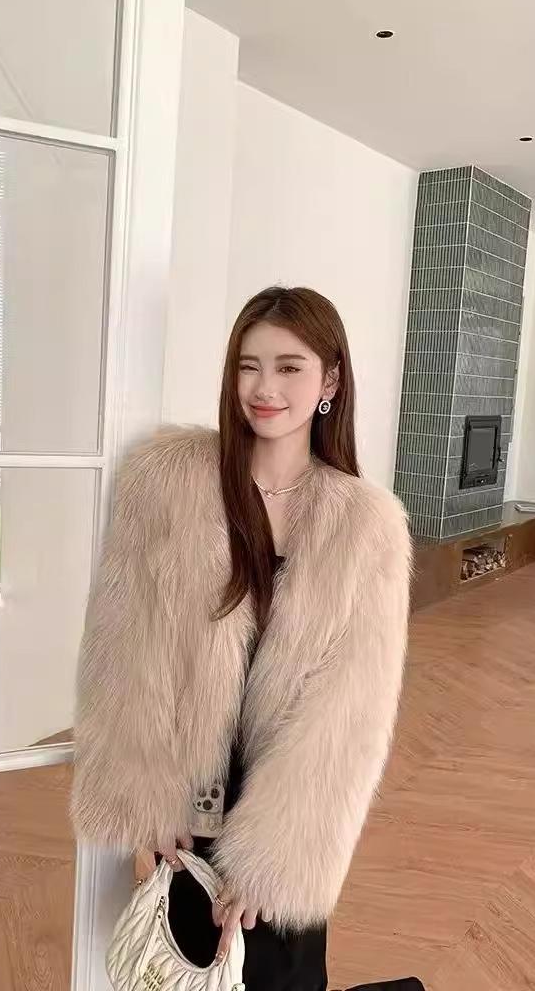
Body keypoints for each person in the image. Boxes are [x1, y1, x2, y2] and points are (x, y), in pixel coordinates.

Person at [71, 286, 412, 990]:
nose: (264, 388)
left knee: (278, 975)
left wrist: (272, 863)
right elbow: (125, 648)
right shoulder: (167, 481)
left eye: (290, 367)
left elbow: (351, 711)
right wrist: (148, 797)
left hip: (285, 801)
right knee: (177, 971)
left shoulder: (366, 525)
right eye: (248, 365)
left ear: (330, 381)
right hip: (186, 789)